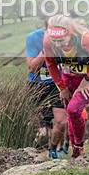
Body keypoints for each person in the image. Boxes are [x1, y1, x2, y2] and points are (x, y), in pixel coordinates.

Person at [43, 15, 89, 159]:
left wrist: (88, 78)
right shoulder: (48, 42)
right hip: (69, 76)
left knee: (74, 109)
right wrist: (62, 87)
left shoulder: (87, 41)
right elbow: (51, 64)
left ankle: (79, 147)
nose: (57, 45)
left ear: (70, 33)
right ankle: (75, 151)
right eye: (54, 41)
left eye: (61, 41)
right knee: (70, 112)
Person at [27, 22, 67, 159]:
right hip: (37, 84)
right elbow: (31, 67)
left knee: (61, 121)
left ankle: (53, 150)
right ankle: (37, 152)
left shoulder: (66, 38)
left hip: (58, 83)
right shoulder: (33, 37)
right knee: (42, 126)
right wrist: (46, 50)